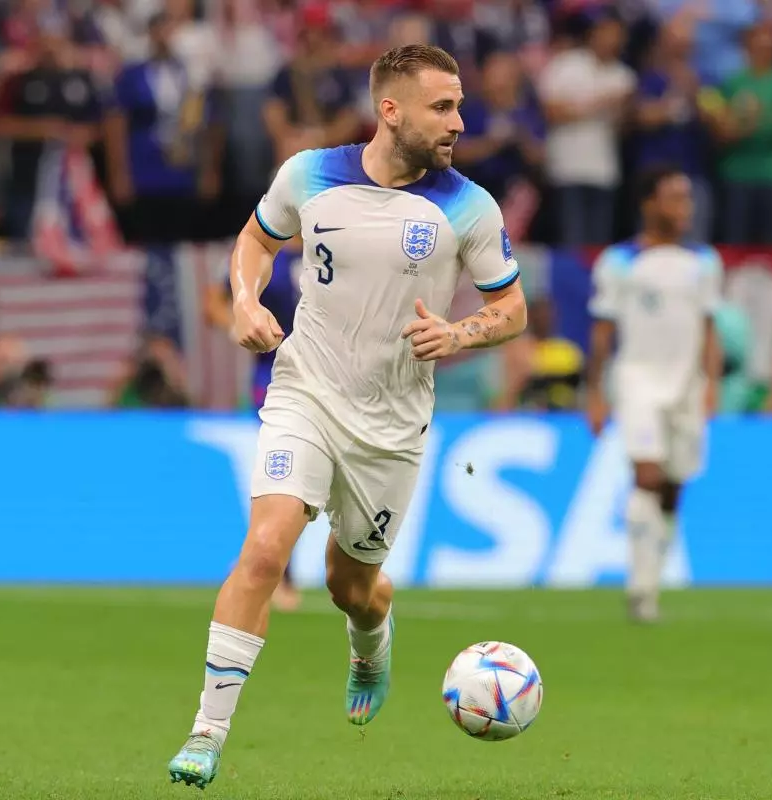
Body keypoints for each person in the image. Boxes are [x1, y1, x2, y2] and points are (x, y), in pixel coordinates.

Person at [167, 44, 527, 789]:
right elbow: (255, 242)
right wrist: (243, 300)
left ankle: (370, 641)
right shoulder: (309, 175)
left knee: (349, 585)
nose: (458, 120)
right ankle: (206, 732)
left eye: (458, 105)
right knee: (265, 549)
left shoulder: (469, 206)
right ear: (389, 111)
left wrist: (457, 333)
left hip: (391, 426)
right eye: (443, 106)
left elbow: (511, 308)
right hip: (305, 393)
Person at [584, 165, 722, 624]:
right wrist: (596, 394)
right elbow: (603, 332)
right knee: (646, 475)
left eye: (687, 198)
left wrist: (711, 385)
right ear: (649, 203)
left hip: (687, 386)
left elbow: (709, 328)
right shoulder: (619, 261)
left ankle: (652, 583)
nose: (685, 208)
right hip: (637, 379)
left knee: (673, 486)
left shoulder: (704, 262)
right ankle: (640, 590)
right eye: (674, 198)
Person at [203, 236, 305, 612]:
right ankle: (279, 570)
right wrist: (240, 325)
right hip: (274, 378)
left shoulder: (334, 238)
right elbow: (213, 301)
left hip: (332, 378)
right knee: (282, 468)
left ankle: (269, 560)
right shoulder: (256, 250)